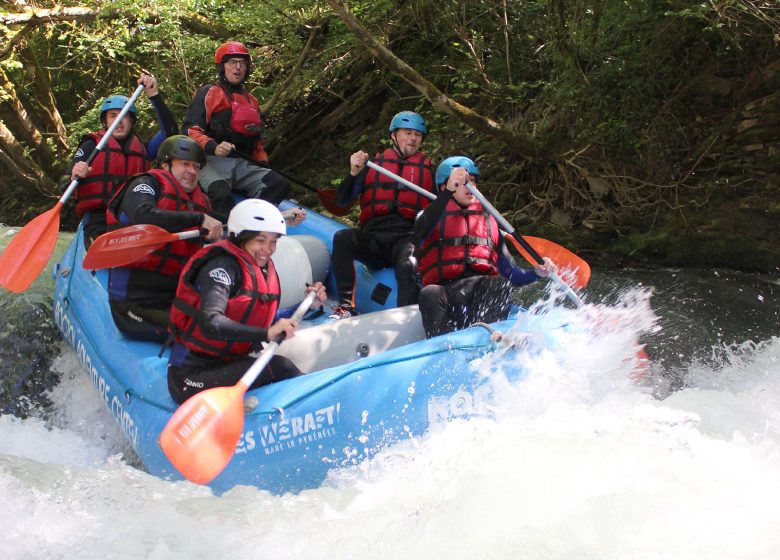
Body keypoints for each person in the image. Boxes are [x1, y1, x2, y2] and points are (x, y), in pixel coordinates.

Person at [167, 199, 327, 404]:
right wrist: (266, 334)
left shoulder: (259, 266)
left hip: (227, 362)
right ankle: (320, 406)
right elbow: (211, 323)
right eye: (261, 240)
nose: (268, 249)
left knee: (282, 366)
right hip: (191, 376)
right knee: (281, 367)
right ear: (242, 237)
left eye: (273, 241)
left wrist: (305, 306)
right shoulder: (222, 267)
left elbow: (260, 319)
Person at [414, 156, 553, 338]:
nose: (469, 186)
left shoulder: (489, 222)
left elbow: (513, 275)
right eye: (463, 181)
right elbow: (423, 226)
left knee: (499, 282)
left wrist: (536, 273)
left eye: (472, 181)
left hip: (480, 296)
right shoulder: (426, 217)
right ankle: (444, 348)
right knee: (428, 293)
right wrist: (448, 192)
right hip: (447, 295)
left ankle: (485, 338)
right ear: (443, 187)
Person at [105, 135, 223, 341]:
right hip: (134, 305)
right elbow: (142, 215)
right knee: (203, 332)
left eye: (196, 167)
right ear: (165, 165)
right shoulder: (146, 184)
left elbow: (227, 222)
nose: (192, 171)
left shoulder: (200, 202)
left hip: (176, 299)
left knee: (225, 323)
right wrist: (198, 218)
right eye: (185, 164)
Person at [329, 111, 435, 319]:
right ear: (394, 136)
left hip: (406, 238)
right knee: (342, 238)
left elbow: (442, 210)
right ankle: (345, 307)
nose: (413, 139)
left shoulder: (429, 172)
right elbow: (341, 201)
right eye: (408, 133)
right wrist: (353, 173)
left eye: (418, 135)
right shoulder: (372, 167)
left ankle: (407, 318)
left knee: (409, 262)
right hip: (374, 240)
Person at [182, 41, 300, 224]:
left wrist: (262, 163)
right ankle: (224, 236)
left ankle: (252, 222)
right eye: (232, 62)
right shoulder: (209, 93)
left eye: (242, 63)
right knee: (221, 195)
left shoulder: (251, 100)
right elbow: (190, 130)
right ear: (222, 67)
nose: (238, 67)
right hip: (210, 162)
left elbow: (257, 142)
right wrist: (213, 146)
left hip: (242, 164)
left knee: (279, 184)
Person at [67, 73, 178, 246]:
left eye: (124, 116)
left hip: (131, 217)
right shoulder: (91, 145)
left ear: (132, 121)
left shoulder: (144, 149)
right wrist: (75, 174)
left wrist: (153, 94)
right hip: (98, 218)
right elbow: (68, 179)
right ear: (105, 121)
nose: (119, 121)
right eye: (113, 116)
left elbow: (170, 131)